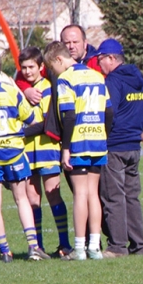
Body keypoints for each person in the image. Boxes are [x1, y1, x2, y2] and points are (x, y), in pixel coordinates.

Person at [43, 41, 112, 261]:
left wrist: (65, 148)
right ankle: (95, 247)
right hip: (98, 140)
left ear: (58, 60)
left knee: (81, 193)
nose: (55, 73)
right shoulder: (96, 75)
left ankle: (79, 249)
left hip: (79, 141)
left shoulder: (66, 79)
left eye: (53, 69)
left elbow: (69, 116)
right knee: (94, 193)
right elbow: (108, 113)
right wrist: (104, 135)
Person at [0, 52, 49, 262]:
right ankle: (33, 247)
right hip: (13, 152)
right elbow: (31, 118)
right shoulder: (11, 90)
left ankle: (5, 251)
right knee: (21, 198)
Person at [95, 39, 143, 258]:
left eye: (100, 60)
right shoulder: (139, 79)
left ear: (111, 58)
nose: (99, 66)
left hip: (115, 145)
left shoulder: (113, 81)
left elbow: (110, 111)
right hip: (134, 145)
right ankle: (139, 245)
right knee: (131, 196)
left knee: (114, 196)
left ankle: (117, 247)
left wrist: (103, 135)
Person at [19, 47, 73, 258]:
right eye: (24, 67)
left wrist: (20, 133)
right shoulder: (22, 90)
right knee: (33, 198)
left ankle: (65, 244)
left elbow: (45, 123)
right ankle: (37, 247)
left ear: (41, 67)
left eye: (31, 67)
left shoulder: (48, 88)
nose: (28, 71)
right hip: (27, 152)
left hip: (47, 149)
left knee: (53, 195)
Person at [16, 24, 100, 105]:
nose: (71, 46)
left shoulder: (96, 63)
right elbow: (26, 74)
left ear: (85, 43)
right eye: (67, 43)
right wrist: (27, 90)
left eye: (75, 42)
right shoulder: (53, 64)